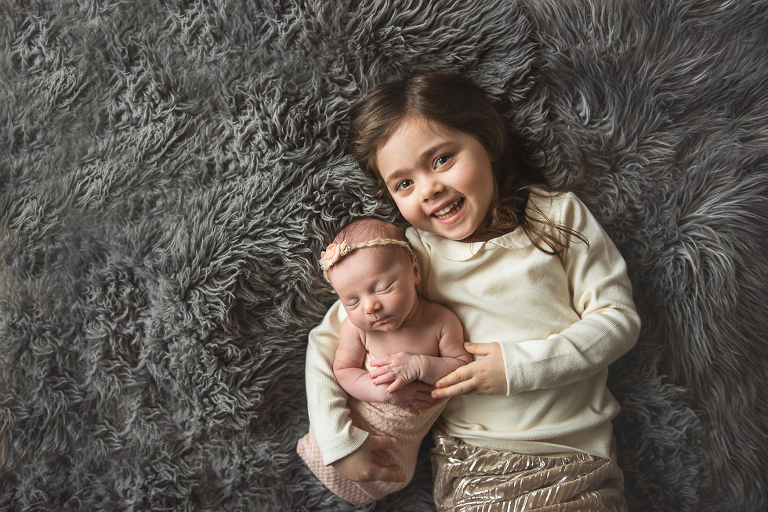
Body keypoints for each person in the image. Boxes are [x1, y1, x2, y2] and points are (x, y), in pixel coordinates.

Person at [302, 70, 641, 511]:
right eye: (404, 183)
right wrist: (337, 441)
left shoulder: (557, 218)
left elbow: (618, 320)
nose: (430, 188)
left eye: (442, 159)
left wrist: (516, 367)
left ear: (487, 140)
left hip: (575, 454)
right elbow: (325, 344)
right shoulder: (410, 256)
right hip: (471, 462)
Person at [297, 217, 471, 505]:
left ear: (414, 270)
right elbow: (343, 371)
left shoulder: (441, 322)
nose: (370, 306)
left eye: (382, 287)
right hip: (352, 428)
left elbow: (461, 367)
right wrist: (383, 393)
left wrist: (421, 365)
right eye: (352, 302)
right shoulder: (357, 329)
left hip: (399, 450)